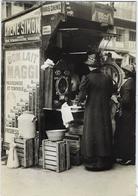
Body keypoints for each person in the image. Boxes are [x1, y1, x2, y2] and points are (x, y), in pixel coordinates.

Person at [78, 51, 114, 171]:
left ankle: (92, 163)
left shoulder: (87, 78)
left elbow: (81, 97)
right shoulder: (107, 78)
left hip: (92, 111)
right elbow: (110, 93)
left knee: (92, 134)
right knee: (103, 134)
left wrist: (81, 99)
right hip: (104, 110)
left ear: (89, 66)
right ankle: (104, 162)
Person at [114, 64, 136, 165]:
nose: (123, 72)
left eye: (124, 71)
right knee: (129, 135)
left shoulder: (129, 83)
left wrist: (117, 98)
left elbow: (126, 101)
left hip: (127, 114)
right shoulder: (132, 82)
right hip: (131, 113)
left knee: (126, 135)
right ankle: (128, 157)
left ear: (127, 73)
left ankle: (127, 158)